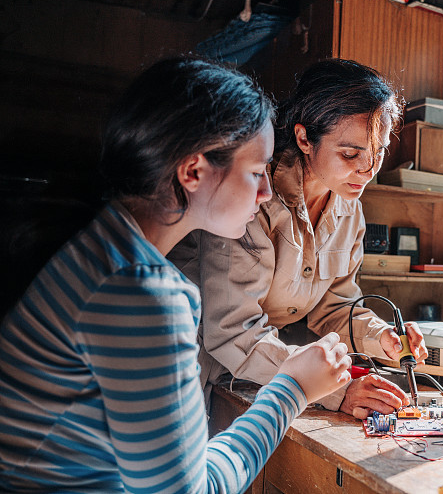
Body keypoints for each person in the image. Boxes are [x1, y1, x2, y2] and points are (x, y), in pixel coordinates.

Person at [0, 57, 352, 493]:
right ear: (193, 171)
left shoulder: (98, 246)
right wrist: (292, 388)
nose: (265, 193)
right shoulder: (141, 292)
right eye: (256, 172)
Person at [168, 59, 428, 419]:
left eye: (379, 152)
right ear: (305, 139)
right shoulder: (251, 199)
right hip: (189, 368)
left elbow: (333, 308)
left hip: (258, 371)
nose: (368, 170)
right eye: (350, 154)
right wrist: (336, 391)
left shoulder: (349, 209)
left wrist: (381, 337)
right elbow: (232, 331)